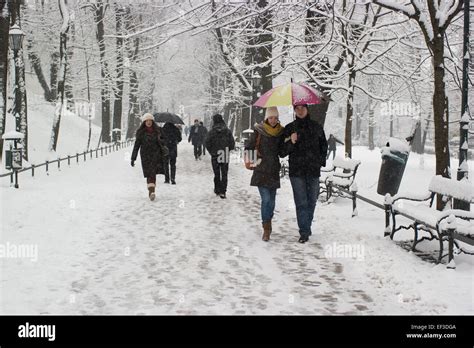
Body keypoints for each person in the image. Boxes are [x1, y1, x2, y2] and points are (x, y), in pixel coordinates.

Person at [281, 104, 328, 243]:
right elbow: (282, 151)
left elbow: (323, 146)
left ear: (307, 109)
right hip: (297, 171)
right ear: (294, 110)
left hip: (313, 170)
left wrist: (319, 162)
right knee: (301, 202)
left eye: (302, 108)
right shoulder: (290, 128)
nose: (300, 111)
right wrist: (291, 141)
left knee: (312, 201)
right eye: (297, 108)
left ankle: (306, 226)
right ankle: (304, 231)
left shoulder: (316, 126)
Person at [244, 106, 285, 241]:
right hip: (261, 170)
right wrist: (255, 159)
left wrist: (291, 140)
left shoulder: (280, 132)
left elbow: (282, 152)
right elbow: (248, 146)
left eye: (275, 118)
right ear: (267, 118)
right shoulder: (259, 131)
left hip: (273, 170)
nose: (273, 120)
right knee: (266, 199)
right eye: (271, 117)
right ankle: (266, 228)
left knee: (272, 202)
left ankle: (268, 220)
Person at [131, 113, 167, 201]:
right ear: (144, 122)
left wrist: (161, 140)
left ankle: (151, 191)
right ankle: (151, 190)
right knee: (149, 173)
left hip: (156, 154)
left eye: (150, 120)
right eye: (147, 121)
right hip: (145, 155)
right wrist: (133, 158)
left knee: (152, 173)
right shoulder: (141, 132)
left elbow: (164, 141)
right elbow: (137, 145)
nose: (148, 122)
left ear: (152, 121)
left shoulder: (158, 131)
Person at [205, 114, 235, 199]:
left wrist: (211, 151)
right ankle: (223, 191)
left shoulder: (211, 132)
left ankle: (217, 189)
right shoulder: (227, 131)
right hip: (224, 153)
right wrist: (228, 149)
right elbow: (232, 143)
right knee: (224, 173)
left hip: (215, 154)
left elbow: (207, 142)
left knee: (217, 173)